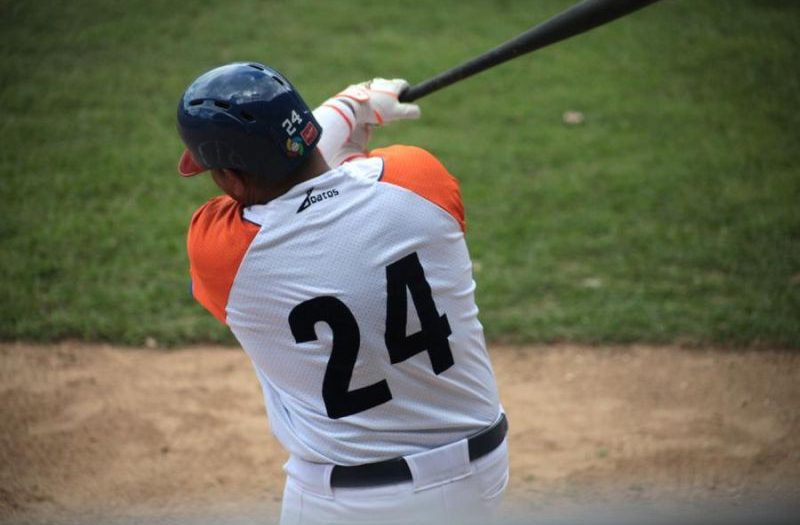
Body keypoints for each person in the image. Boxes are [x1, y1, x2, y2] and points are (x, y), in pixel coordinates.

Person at [176, 62, 508, 524]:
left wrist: (349, 109)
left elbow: (293, 187)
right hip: (482, 473)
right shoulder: (419, 181)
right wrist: (352, 107)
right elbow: (331, 172)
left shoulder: (224, 258)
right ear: (304, 127)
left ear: (229, 177)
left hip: (353, 505)